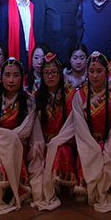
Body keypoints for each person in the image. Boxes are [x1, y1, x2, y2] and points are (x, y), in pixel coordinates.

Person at [40, 52, 111, 212]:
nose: (95, 75)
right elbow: (79, 126)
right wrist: (93, 147)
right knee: (85, 153)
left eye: (99, 71)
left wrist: (108, 149)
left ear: (107, 72)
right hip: (86, 141)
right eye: (91, 71)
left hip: (107, 143)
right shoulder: (80, 95)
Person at [0, 58, 36, 214]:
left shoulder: (29, 101)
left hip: (18, 146)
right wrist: (5, 139)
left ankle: (11, 192)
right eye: (7, 75)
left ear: (22, 77)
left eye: (16, 75)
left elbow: (26, 130)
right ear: (1, 77)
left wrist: (6, 139)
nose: (11, 80)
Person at [28, 53, 77, 208]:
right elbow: (35, 126)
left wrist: (58, 140)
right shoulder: (37, 96)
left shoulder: (70, 94)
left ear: (60, 73)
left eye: (54, 72)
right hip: (44, 141)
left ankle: (60, 188)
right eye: (46, 73)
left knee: (60, 151)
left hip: (64, 141)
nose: (50, 76)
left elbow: (73, 124)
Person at [0, 0, 35, 71]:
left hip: (34, 54)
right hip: (13, 56)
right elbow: (2, 38)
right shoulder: (4, 9)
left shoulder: (35, 6)